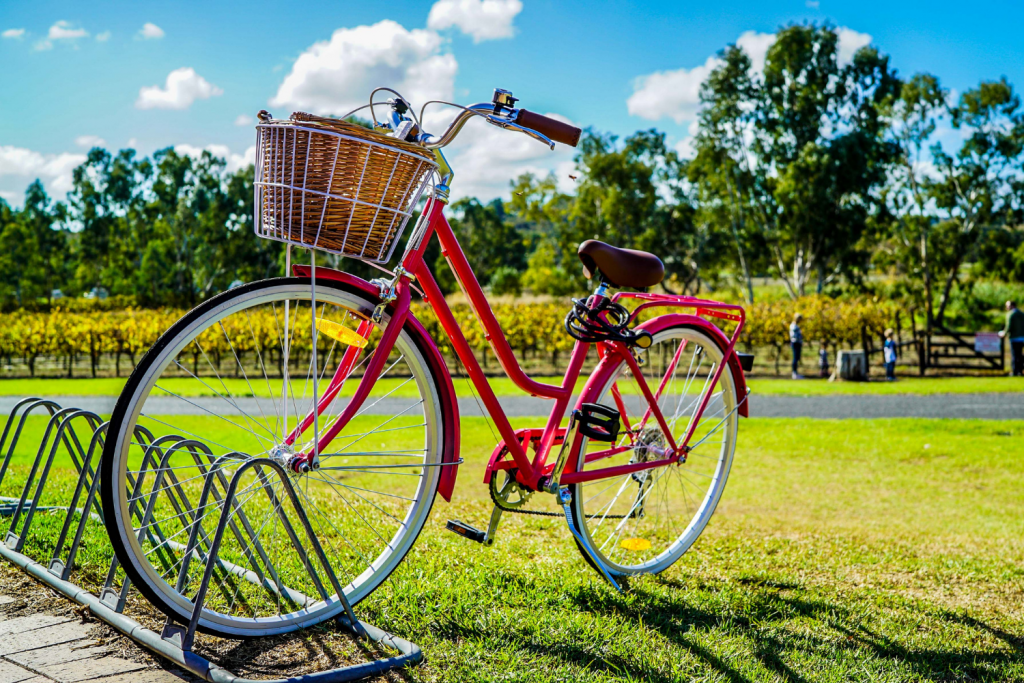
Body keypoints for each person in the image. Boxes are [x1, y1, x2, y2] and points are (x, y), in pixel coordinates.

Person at [999, 300, 1024, 376]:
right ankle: (1020, 370)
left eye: (1008, 306)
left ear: (1012, 306)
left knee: (1015, 355)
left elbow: (1008, 326)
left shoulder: (1010, 314)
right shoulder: (1021, 313)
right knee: (1019, 355)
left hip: (1014, 338)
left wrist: (1004, 333)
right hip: (1022, 337)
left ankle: (1015, 371)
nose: (1006, 307)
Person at [790, 313, 804, 379]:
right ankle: (794, 373)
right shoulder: (793, 326)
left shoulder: (795, 326)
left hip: (797, 343)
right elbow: (795, 336)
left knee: (797, 358)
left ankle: (795, 373)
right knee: (795, 358)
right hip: (795, 343)